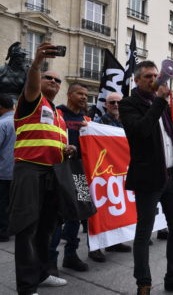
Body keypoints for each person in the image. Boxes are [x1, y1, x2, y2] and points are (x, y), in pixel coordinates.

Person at [119, 60, 173, 295]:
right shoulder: (128, 104)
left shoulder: (161, 104)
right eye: (148, 77)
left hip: (171, 176)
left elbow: (171, 140)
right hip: (148, 177)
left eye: (156, 75)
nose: (155, 80)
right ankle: (143, 282)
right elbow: (141, 131)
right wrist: (161, 102)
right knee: (144, 232)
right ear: (136, 80)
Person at [8, 42, 74, 294]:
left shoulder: (58, 115)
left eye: (58, 81)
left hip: (53, 173)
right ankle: (27, 287)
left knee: (47, 227)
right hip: (29, 170)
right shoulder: (31, 101)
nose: (54, 82)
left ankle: (43, 273)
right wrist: (36, 64)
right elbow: (33, 82)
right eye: (49, 78)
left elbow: (58, 144)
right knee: (27, 228)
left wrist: (70, 150)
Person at [47, 83, 90, 276]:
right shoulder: (57, 114)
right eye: (80, 94)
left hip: (80, 173)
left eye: (86, 95)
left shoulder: (87, 119)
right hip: (60, 171)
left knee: (78, 214)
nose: (84, 98)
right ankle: (50, 261)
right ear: (70, 94)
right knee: (57, 218)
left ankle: (71, 255)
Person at [90, 92, 132, 261]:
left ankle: (114, 241)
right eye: (112, 102)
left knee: (117, 207)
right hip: (102, 173)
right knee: (99, 210)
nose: (115, 105)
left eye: (118, 102)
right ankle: (95, 248)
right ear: (106, 105)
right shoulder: (98, 123)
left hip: (120, 172)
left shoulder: (126, 123)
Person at [0, 96, 16, 242]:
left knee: (3, 203)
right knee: (15, 202)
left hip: (4, 171)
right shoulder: (21, 121)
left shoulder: (2, 123)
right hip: (20, 171)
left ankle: (3, 231)